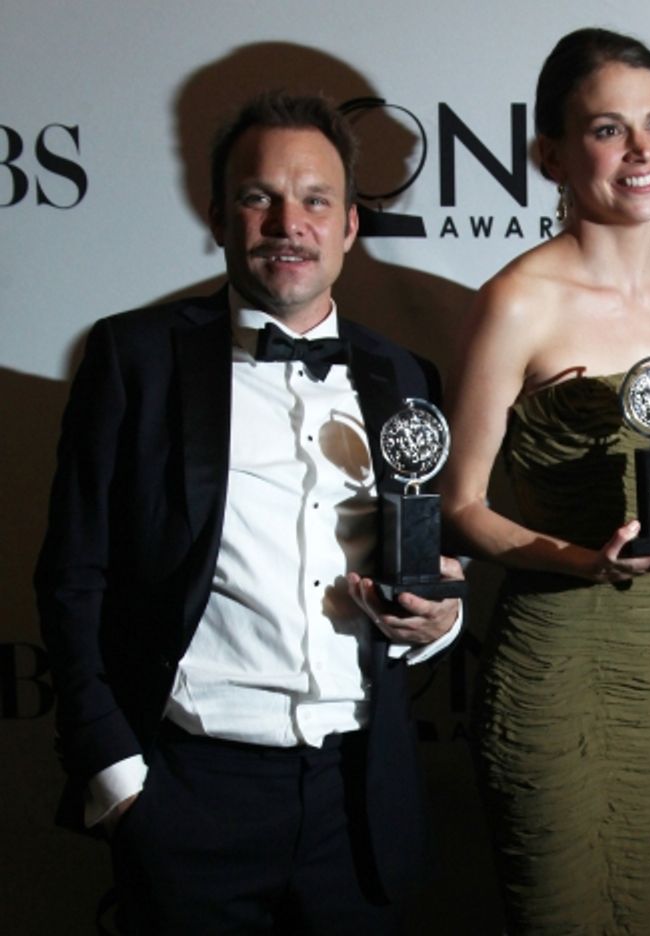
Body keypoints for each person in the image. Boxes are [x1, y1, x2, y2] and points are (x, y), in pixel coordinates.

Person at [34, 91, 463, 934]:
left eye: (315, 200)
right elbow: (72, 577)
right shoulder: (135, 359)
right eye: (258, 196)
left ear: (347, 227)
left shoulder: (404, 376)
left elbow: (429, 565)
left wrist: (440, 620)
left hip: (359, 798)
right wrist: (119, 782)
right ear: (219, 216)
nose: (286, 222)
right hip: (190, 798)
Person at [439, 27, 650, 934]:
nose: (643, 151)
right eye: (611, 129)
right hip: (563, 661)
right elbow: (458, 507)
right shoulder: (518, 299)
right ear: (553, 155)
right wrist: (583, 561)